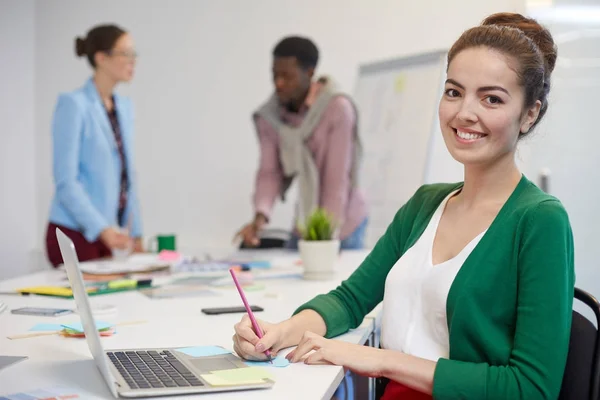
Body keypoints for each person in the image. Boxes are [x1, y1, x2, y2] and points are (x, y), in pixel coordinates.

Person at [233, 13, 574, 399]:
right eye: (453, 91)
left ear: (530, 113)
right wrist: (280, 331)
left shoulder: (540, 219)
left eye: (491, 98)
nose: (464, 112)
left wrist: (380, 360)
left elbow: (531, 388)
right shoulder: (426, 203)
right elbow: (350, 299)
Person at [235, 36, 368, 250]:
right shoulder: (271, 117)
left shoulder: (337, 108)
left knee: (331, 280)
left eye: (287, 76)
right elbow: (270, 172)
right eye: (275, 75)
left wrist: (323, 241)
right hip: (306, 220)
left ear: (309, 73)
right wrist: (259, 219)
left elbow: (336, 182)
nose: (279, 83)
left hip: (343, 224)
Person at [45, 24, 143, 267]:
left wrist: (137, 232)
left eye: (134, 53)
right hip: (74, 233)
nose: (133, 60)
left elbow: (127, 175)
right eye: (125, 53)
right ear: (101, 58)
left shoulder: (124, 108)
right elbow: (66, 181)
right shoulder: (74, 105)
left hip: (108, 235)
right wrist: (102, 229)